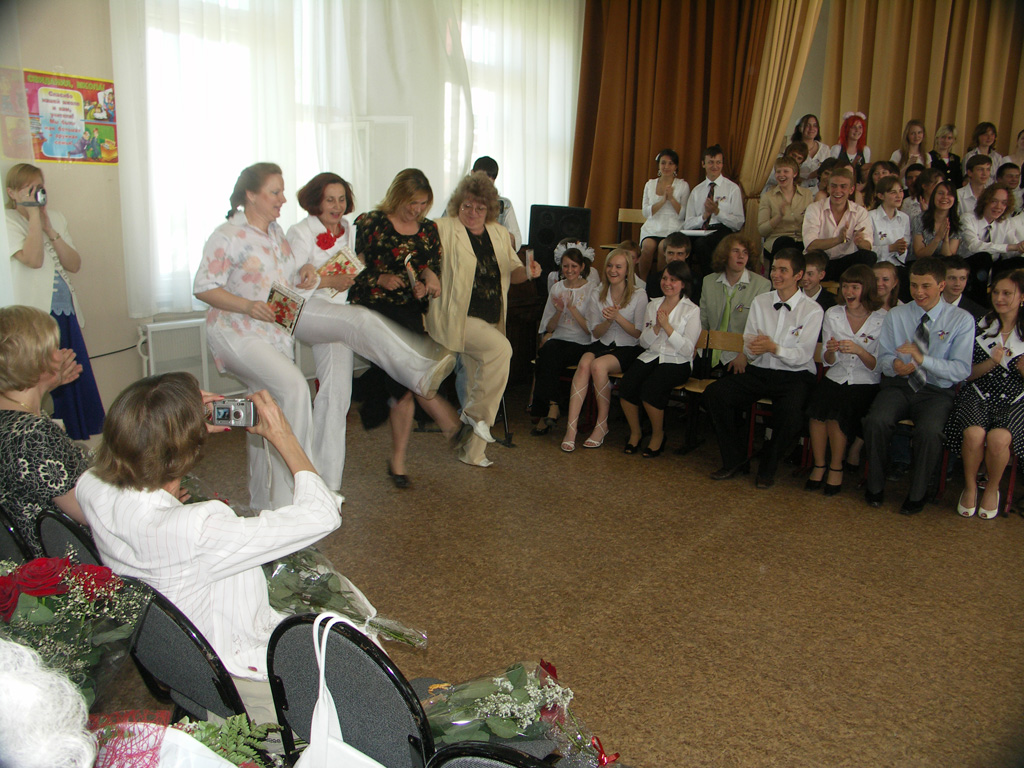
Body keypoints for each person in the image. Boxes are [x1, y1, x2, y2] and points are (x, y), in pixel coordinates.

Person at [78, 375, 341, 723]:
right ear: (186, 451)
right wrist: (283, 435)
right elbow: (322, 515)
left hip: (182, 665)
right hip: (238, 677)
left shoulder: (91, 487)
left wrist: (176, 418)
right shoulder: (198, 527)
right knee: (355, 651)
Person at [286, 172, 456, 492]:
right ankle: (419, 371)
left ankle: (326, 487)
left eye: (341, 199)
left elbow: (357, 266)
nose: (337, 206)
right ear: (315, 202)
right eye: (329, 200)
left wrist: (417, 278)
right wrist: (324, 278)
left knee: (336, 399)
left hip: (336, 315)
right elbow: (289, 283)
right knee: (362, 319)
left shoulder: (349, 229)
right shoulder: (300, 232)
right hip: (307, 311)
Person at [193, 162, 319, 510]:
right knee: (294, 388)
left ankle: (263, 505)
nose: (283, 199)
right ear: (251, 195)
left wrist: (306, 271)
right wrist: (248, 306)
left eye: (282, 191)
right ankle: (297, 496)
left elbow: (284, 279)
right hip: (235, 332)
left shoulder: (276, 233)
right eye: (275, 192)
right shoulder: (227, 235)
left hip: (273, 335)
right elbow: (203, 287)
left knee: (263, 408)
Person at [348, 169, 462, 485]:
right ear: (398, 196)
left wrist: (429, 283)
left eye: (423, 204)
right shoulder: (370, 223)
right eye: (412, 203)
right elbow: (349, 269)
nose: (417, 210)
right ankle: (446, 422)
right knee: (409, 375)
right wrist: (379, 278)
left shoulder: (428, 229)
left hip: (408, 310)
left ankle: (399, 460)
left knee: (404, 383)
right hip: (374, 310)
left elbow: (429, 269)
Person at [428, 172, 541, 468]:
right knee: (502, 350)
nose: (473, 213)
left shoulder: (499, 234)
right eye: (467, 206)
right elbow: (422, 258)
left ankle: (472, 451)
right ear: (457, 204)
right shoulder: (443, 228)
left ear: (489, 209)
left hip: (490, 318)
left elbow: (514, 272)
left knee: (480, 381)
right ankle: (472, 417)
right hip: (458, 317)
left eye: (480, 208)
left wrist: (529, 273)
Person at [862, 257, 974, 514]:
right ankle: (875, 486)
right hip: (899, 386)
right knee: (876, 420)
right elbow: (884, 357)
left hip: (936, 391)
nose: (919, 292)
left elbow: (961, 369)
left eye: (926, 286)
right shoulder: (897, 314)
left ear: (941, 286)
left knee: (930, 431)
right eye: (914, 285)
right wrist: (895, 365)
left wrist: (924, 360)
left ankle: (918, 493)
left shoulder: (961, 320)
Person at [705, 249, 823, 488]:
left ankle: (768, 466)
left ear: (798, 275)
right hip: (761, 370)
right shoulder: (761, 301)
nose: (776, 274)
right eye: (774, 269)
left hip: (795, 375)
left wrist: (774, 348)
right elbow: (749, 339)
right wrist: (753, 349)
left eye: (783, 270)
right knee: (715, 394)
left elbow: (803, 355)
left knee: (791, 414)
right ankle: (735, 459)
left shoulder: (812, 310)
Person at [5, 163, 104, 439]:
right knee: (44, 378)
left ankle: (75, 439)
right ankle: (48, 438)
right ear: (12, 192)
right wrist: (33, 218)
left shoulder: (56, 218)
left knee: (71, 373)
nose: (36, 192)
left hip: (64, 312)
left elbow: (74, 264)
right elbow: (33, 259)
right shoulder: (7, 221)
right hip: (35, 318)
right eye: (28, 188)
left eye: (39, 187)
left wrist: (50, 228)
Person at [0, 306, 87, 557]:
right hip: (61, 559)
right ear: (37, 361)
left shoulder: (15, 416)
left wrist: (44, 386)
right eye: (55, 349)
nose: (61, 354)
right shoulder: (34, 434)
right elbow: (88, 513)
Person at [944, 271, 1024, 519]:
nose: (999, 298)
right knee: (974, 434)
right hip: (977, 393)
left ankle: (992, 488)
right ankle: (969, 487)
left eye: (1007, 293)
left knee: (999, 439)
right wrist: (991, 363)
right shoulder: (978, 325)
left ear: (1022, 297)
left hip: (1016, 399)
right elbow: (965, 374)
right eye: (996, 292)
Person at [805, 264, 885, 496]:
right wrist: (831, 350)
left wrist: (859, 350)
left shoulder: (883, 318)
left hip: (865, 381)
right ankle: (819, 464)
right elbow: (827, 360)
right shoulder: (834, 313)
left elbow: (879, 366)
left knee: (836, 413)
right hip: (837, 375)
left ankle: (835, 466)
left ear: (866, 289)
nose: (849, 292)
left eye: (855, 287)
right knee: (816, 411)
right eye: (846, 287)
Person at [560, 249, 647, 452]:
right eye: (609, 266)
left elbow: (638, 333)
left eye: (618, 267)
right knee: (584, 364)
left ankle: (602, 424)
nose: (613, 270)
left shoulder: (638, 295)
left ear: (627, 270)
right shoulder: (598, 293)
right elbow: (596, 332)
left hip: (628, 346)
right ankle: (571, 428)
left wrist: (618, 318)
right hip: (604, 342)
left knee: (598, 366)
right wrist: (608, 322)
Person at [619, 260, 700, 457]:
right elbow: (644, 342)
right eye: (665, 278)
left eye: (673, 280)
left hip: (677, 361)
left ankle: (658, 435)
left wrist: (667, 327)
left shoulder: (691, 310)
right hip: (652, 355)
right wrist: (656, 327)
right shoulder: (653, 304)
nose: (667, 283)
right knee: (627, 384)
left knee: (651, 389)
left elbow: (687, 350)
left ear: (683, 284)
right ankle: (636, 432)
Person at [530, 246, 593, 436]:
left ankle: (547, 410)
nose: (569, 270)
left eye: (574, 266)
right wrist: (559, 311)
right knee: (547, 352)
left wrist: (572, 309)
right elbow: (549, 328)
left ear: (582, 267)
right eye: (566, 266)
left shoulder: (592, 290)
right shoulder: (557, 288)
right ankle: (553, 406)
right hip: (559, 339)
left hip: (582, 342)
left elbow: (590, 329)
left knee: (547, 356)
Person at [699, 233, 771, 373]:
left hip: (740, 356)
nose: (741, 256)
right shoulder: (708, 281)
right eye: (736, 251)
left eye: (745, 252)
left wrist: (744, 355)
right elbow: (703, 321)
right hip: (708, 353)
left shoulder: (761, 285)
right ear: (725, 254)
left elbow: (760, 329)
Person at [681, 144, 745, 288]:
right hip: (701, 229)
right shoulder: (697, 191)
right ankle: (691, 284)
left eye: (718, 162)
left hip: (722, 229)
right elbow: (688, 223)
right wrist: (704, 216)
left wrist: (718, 212)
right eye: (710, 162)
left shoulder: (732, 188)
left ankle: (711, 283)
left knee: (704, 244)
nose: (714, 166)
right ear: (703, 164)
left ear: (722, 164)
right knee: (682, 242)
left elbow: (738, 223)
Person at [802, 167, 875, 280]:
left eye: (843, 186)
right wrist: (838, 240)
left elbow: (868, 246)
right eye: (834, 186)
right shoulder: (814, 208)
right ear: (828, 188)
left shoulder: (860, 212)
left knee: (869, 256)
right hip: (821, 263)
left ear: (851, 190)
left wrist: (860, 242)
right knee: (818, 255)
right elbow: (811, 245)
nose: (837, 191)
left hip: (846, 263)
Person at [961, 184, 1024, 304]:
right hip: (970, 264)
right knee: (984, 257)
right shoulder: (968, 218)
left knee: (1019, 261)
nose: (999, 207)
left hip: (993, 267)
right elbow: (974, 246)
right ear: (985, 201)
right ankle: (980, 303)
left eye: (1003, 203)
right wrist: (1010, 247)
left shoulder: (1005, 223)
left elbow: (1010, 252)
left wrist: (1020, 248)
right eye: (994, 201)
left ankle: (1009, 301)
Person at [637, 149, 689, 280]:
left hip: (672, 227)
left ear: (676, 166)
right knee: (647, 247)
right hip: (652, 227)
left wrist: (671, 199)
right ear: (658, 165)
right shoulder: (650, 184)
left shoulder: (683, 185)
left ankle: (661, 281)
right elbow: (645, 212)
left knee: (663, 248)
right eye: (663, 163)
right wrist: (663, 200)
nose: (666, 166)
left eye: (671, 163)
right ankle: (642, 282)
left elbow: (684, 214)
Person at [758, 156, 812, 262]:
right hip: (777, 241)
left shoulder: (807, 194)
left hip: (801, 240)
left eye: (786, 171)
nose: (781, 175)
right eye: (778, 172)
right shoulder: (768, 197)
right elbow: (762, 231)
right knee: (785, 243)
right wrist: (779, 217)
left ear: (794, 174)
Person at [471, 156, 521, 251]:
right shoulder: (459, 202)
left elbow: (516, 243)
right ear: (472, 174)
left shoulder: (504, 205)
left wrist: (494, 225)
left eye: (489, 183)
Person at [869, 177, 911, 273]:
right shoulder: (870, 216)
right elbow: (868, 250)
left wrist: (901, 249)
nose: (898, 196)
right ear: (881, 196)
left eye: (900, 191)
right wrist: (891, 248)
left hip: (897, 266)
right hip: (876, 266)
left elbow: (906, 245)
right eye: (893, 192)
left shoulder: (904, 218)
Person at [912, 180, 962, 258]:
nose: (945, 197)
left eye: (949, 194)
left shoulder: (956, 223)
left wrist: (945, 240)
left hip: (946, 263)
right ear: (933, 196)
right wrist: (938, 238)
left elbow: (949, 258)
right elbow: (919, 255)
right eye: (940, 193)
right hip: (924, 263)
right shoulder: (919, 220)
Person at [789, 114, 832, 191]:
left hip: (819, 190)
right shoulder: (793, 149)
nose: (811, 128)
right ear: (800, 128)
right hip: (798, 190)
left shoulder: (825, 149)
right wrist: (810, 175)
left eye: (815, 125)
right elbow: (788, 172)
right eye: (807, 125)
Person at [645, 232, 690, 299]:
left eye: (680, 254)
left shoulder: (695, 281)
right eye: (671, 253)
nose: (675, 258)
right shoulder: (652, 281)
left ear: (687, 255)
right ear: (664, 253)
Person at [830, 112, 871, 176]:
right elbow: (831, 171)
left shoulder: (865, 150)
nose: (857, 130)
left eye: (860, 127)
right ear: (846, 129)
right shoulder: (837, 149)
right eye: (853, 127)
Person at [929, 124, 963, 189]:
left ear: (954, 140)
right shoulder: (929, 156)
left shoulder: (956, 159)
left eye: (949, 138)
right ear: (937, 138)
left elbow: (958, 181)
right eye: (943, 137)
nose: (946, 141)